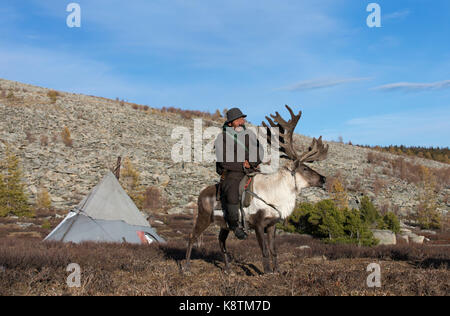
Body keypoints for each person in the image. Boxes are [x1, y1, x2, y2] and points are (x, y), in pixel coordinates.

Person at [214, 108, 264, 240]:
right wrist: (242, 165)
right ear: (230, 124)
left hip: (252, 169)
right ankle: (234, 225)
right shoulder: (222, 138)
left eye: (242, 119)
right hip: (233, 172)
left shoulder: (250, 135)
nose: (242, 121)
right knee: (232, 192)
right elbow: (223, 160)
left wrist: (252, 162)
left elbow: (259, 149)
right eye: (238, 120)